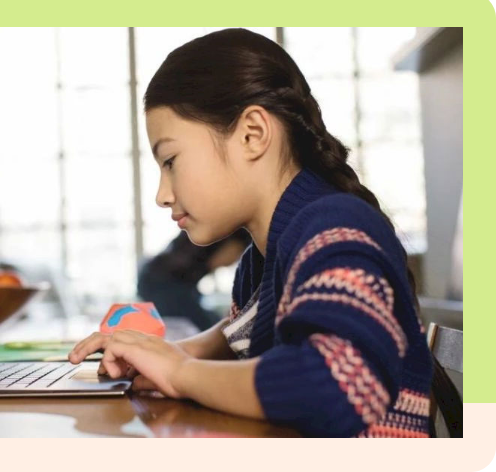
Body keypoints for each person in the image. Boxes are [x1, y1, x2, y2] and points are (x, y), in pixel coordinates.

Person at [68, 28, 432, 437]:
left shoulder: (335, 227)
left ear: (252, 135)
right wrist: (167, 355)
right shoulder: (261, 260)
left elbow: (335, 386)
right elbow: (237, 337)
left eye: (170, 160)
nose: (161, 195)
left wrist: (181, 371)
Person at [137, 229, 250, 331]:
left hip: (157, 280)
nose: (236, 259)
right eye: (239, 251)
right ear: (227, 243)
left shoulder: (193, 268)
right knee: (214, 326)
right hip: (158, 283)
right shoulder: (182, 269)